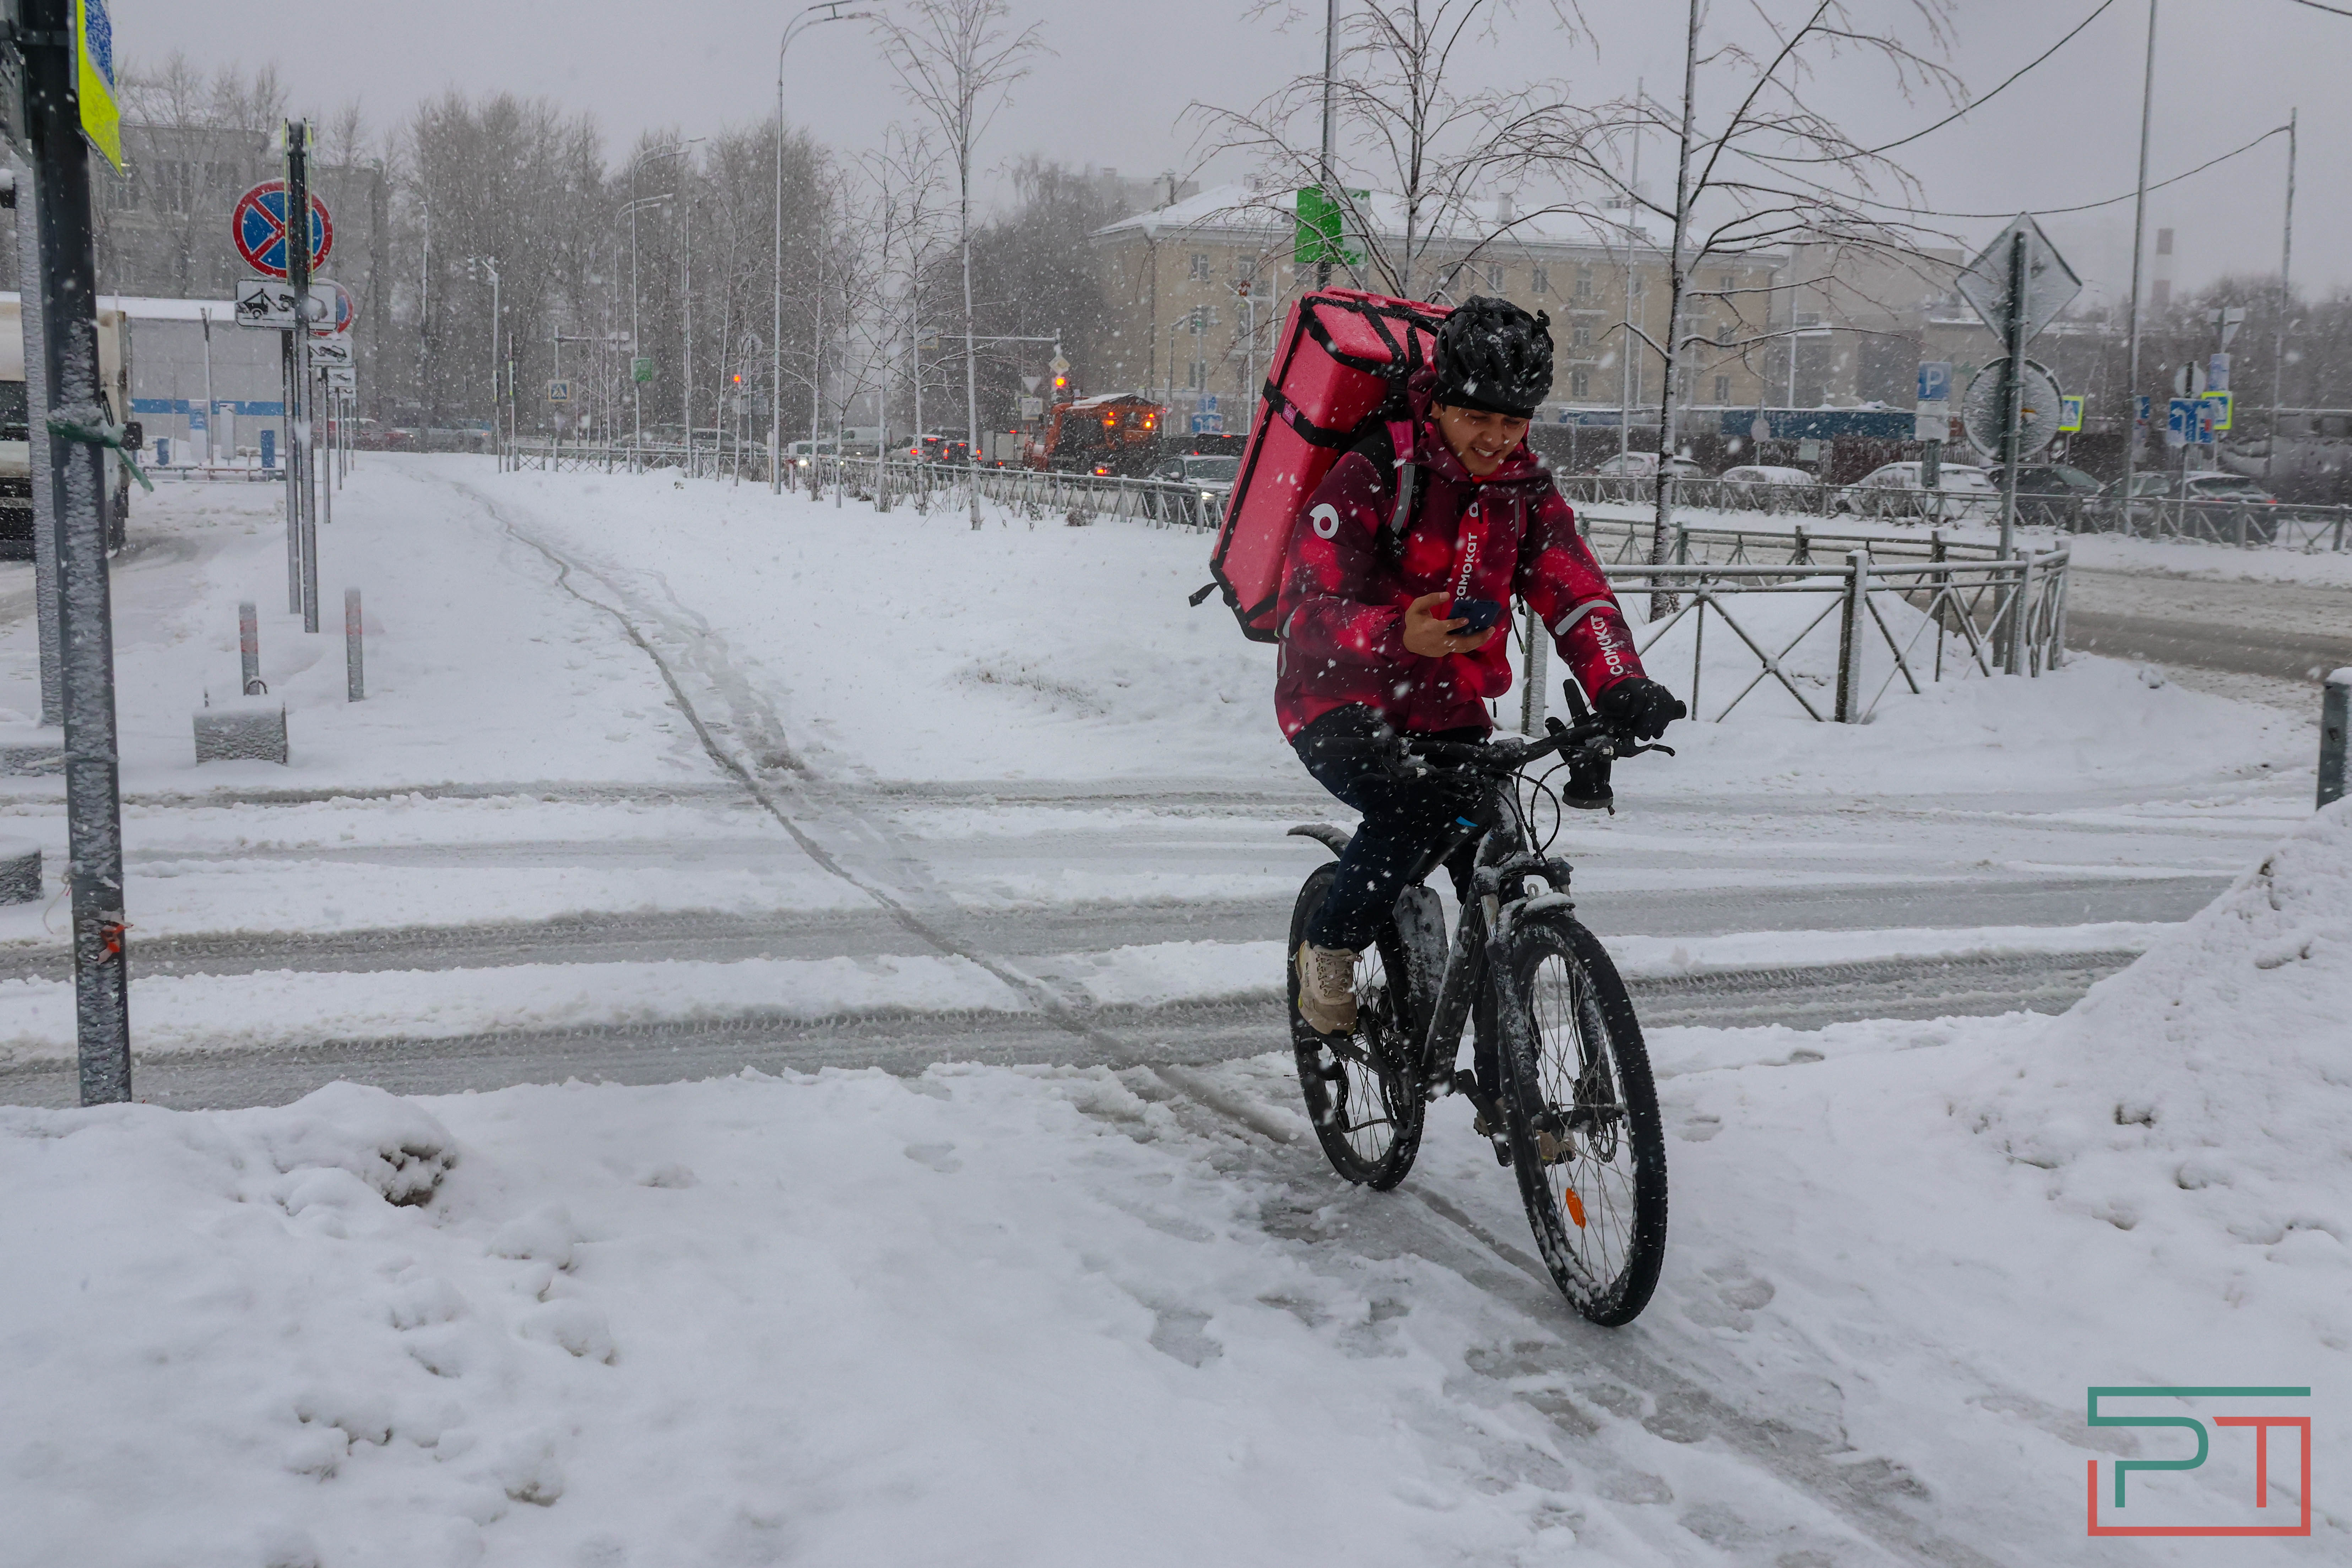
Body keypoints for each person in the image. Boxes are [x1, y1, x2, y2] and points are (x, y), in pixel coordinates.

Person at [1276, 296, 1685, 1095]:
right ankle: (1327, 953)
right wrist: (1400, 632)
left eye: (1514, 422)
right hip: (1336, 701)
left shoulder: (1524, 494)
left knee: (1496, 871)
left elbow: (1577, 597)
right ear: (1439, 401)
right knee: (1410, 809)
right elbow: (1306, 610)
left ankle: (1514, 1091)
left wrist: (1621, 682)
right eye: (1478, 417)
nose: (1498, 438)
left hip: (1450, 710)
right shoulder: (1374, 472)